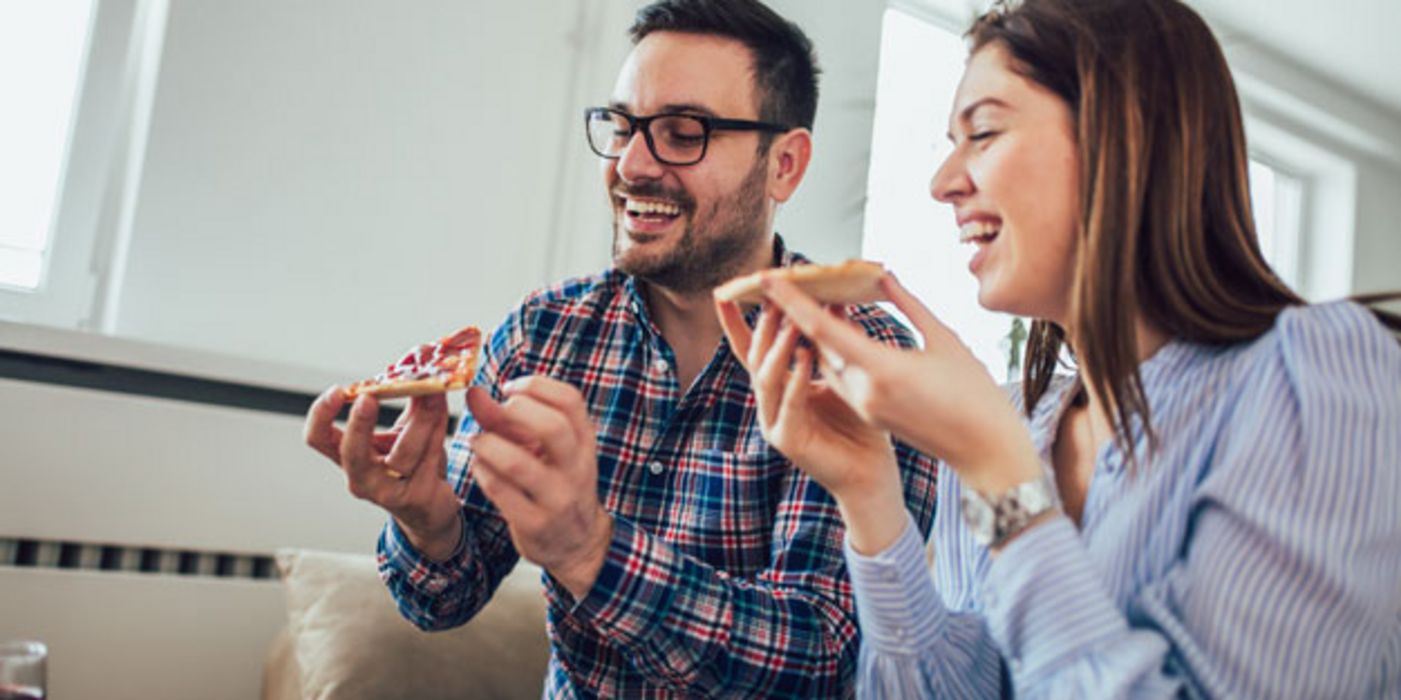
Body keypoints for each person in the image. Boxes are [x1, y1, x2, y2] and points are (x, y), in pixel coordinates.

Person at [718, 0, 1401, 697]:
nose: (942, 183)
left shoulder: (1320, 371)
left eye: (982, 132)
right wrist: (867, 494)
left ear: (1123, 136)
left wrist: (997, 475)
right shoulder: (1013, 424)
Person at [303, 0, 939, 697]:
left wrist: (589, 551)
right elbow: (439, 601)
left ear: (783, 165)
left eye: (682, 133)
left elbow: (823, 657)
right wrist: (425, 521)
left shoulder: (865, 361)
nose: (631, 165)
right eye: (622, 125)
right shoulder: (542, 332)